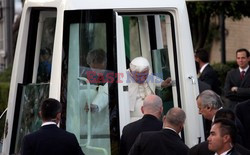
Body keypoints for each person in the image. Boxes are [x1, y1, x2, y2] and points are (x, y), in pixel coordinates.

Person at [127, 57, 171, 122]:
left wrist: (163, 83)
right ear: (131, 72)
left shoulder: (149, 75)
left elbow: (155, 80)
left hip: (152, 116)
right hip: (133, 119)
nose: (142, 79)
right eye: (138, 76)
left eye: (145, 75)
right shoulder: (122, 78)